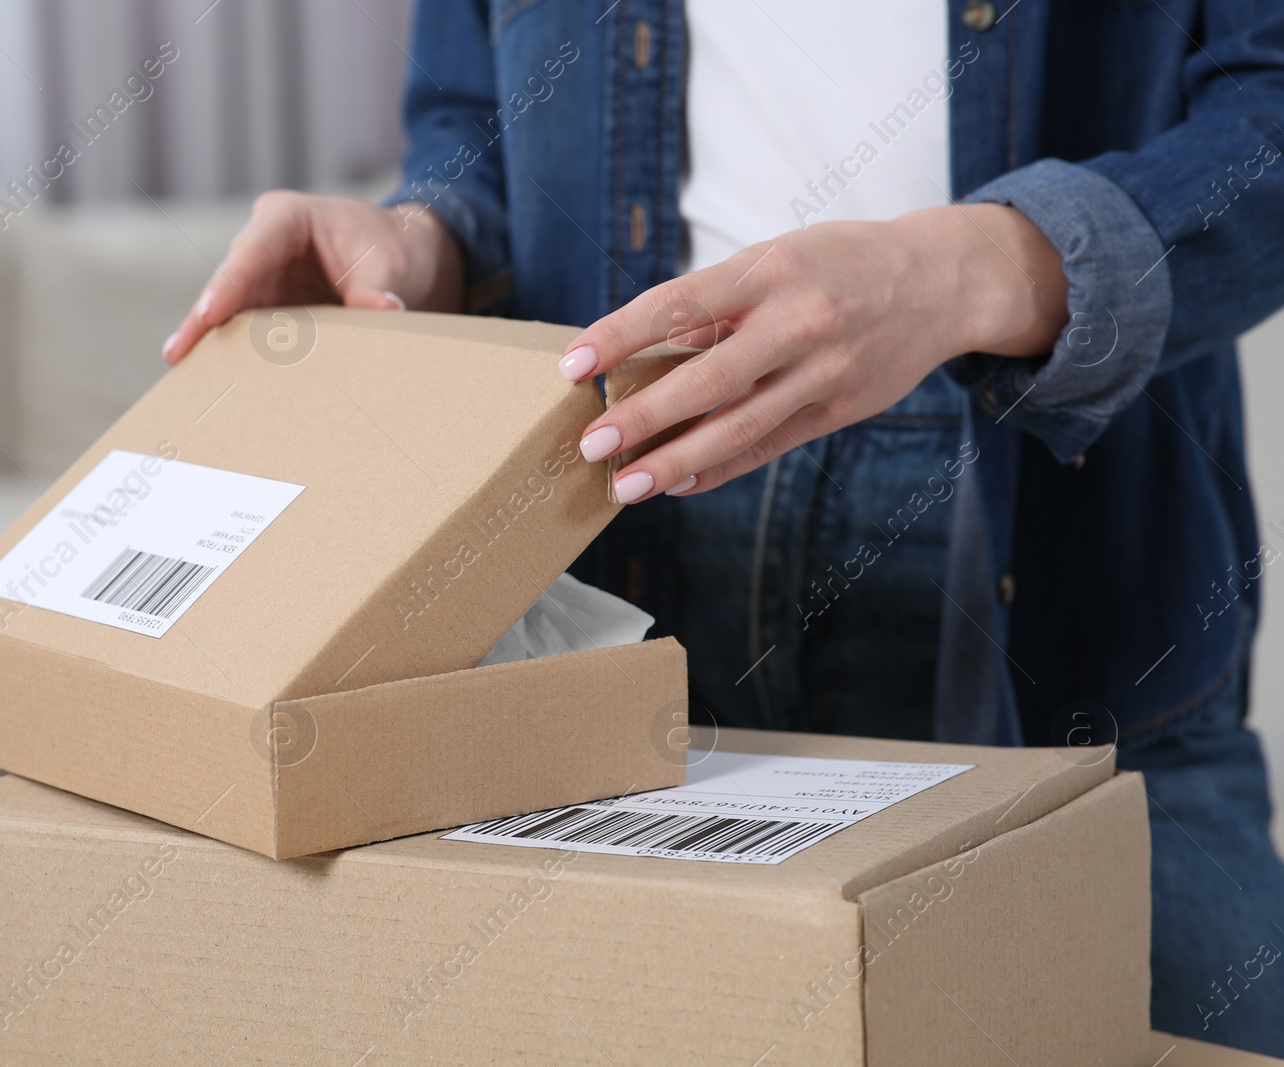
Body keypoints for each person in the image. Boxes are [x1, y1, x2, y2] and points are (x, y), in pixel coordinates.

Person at [162, 0, 1284, 1054]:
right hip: (611, 532)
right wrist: (421, 239)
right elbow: (472, 126)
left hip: (1071, 571)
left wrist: (967, 269)